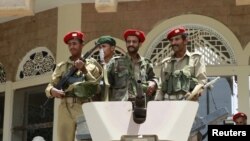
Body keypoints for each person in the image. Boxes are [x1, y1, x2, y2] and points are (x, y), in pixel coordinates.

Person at [45, 31, 102, 141]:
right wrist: (52, 91)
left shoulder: (91, 65)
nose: (72, 46)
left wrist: (84, 70)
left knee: (86, 138)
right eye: (70, 44)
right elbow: (50, 86)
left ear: (82, 45)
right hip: (64, 106)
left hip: (83, 105)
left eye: (75, 43)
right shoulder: (62, 66)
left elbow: (96, 87)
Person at [159, 26, 207, 141]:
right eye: (171, 40)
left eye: (177, 39)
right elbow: (161, 88)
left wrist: (195, 93)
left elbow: (202, 81)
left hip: (188, 107)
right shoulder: (166, 63)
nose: (173, 43)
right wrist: (157, 108)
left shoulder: (196, 59)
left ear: (185, 41)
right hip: (168, 109)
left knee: (191, 136)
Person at [107, 29, 158, 105]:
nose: (131, 44)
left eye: (134, 42)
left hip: (142, 104)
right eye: (128, 41)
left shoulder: (146, 63)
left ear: (140, 44)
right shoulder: (115, 62)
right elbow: (106, 85)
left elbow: (154, 78)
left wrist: (153, 83)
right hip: (121, 104)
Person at [95, 35, 117, 101]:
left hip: (115, 102)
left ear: (112, 48)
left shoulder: (119, 64)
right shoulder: (96, 66)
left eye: (104, 46)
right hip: (98, 103)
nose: (101, 50)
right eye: (99, 47)